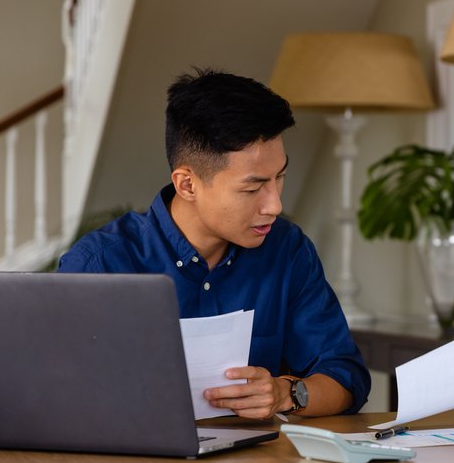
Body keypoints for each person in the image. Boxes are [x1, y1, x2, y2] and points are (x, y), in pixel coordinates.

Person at [59, 68, 371, 419]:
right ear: (187, 185)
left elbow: (346, 378)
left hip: (262, 454)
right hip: (131, 453)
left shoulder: (287, 249)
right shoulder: (99, 265)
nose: (274, 205)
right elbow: (58, 398)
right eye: (252, 188)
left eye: (280, 177)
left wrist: (288, 393)